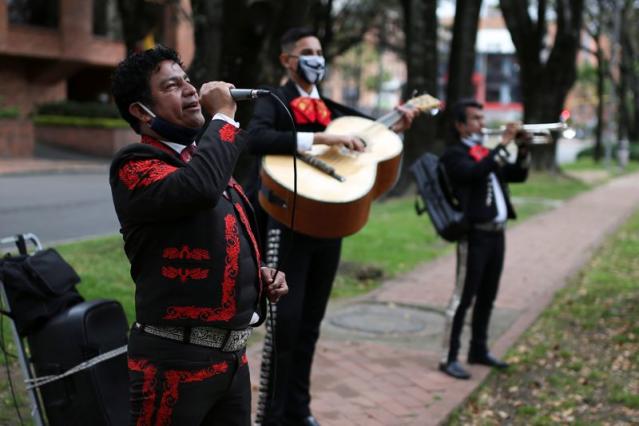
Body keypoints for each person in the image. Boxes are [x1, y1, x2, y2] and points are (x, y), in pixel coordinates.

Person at [245, 28, 419, 426]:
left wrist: (396, 125)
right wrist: (318, 137)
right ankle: (271, 416)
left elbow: (366, 135)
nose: (316, 59)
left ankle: (298, 410)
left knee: (310, 324)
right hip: (285, 220)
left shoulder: (330, 106)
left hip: (327, 223)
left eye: (320, 52)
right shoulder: (276, 99)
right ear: (287, 60)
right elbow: (255, 139)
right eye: (307, 52)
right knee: (283, 327)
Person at [109, 45, 288, 425]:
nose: (191, 90)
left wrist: (257, 277)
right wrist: (223, 116)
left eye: (187, 80)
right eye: (172, 86)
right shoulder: (136, 164)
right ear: (142, 112)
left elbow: (216, 232)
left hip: (232, 361)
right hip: (173, 362)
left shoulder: (204, 160)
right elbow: (199, 190)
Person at [438, 99, 531, 380]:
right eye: (476, 118)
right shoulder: (454, 156)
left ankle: (478, 349)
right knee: (463, 297)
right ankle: (448, 357)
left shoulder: (483, 152)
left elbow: (517, 175)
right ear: (460, 125)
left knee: (488, 295)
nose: (482, 123)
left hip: (497, 234)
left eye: (482, 117)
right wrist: (503, 144)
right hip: (474, 235)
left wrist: (523, 148)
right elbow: (474, 173)